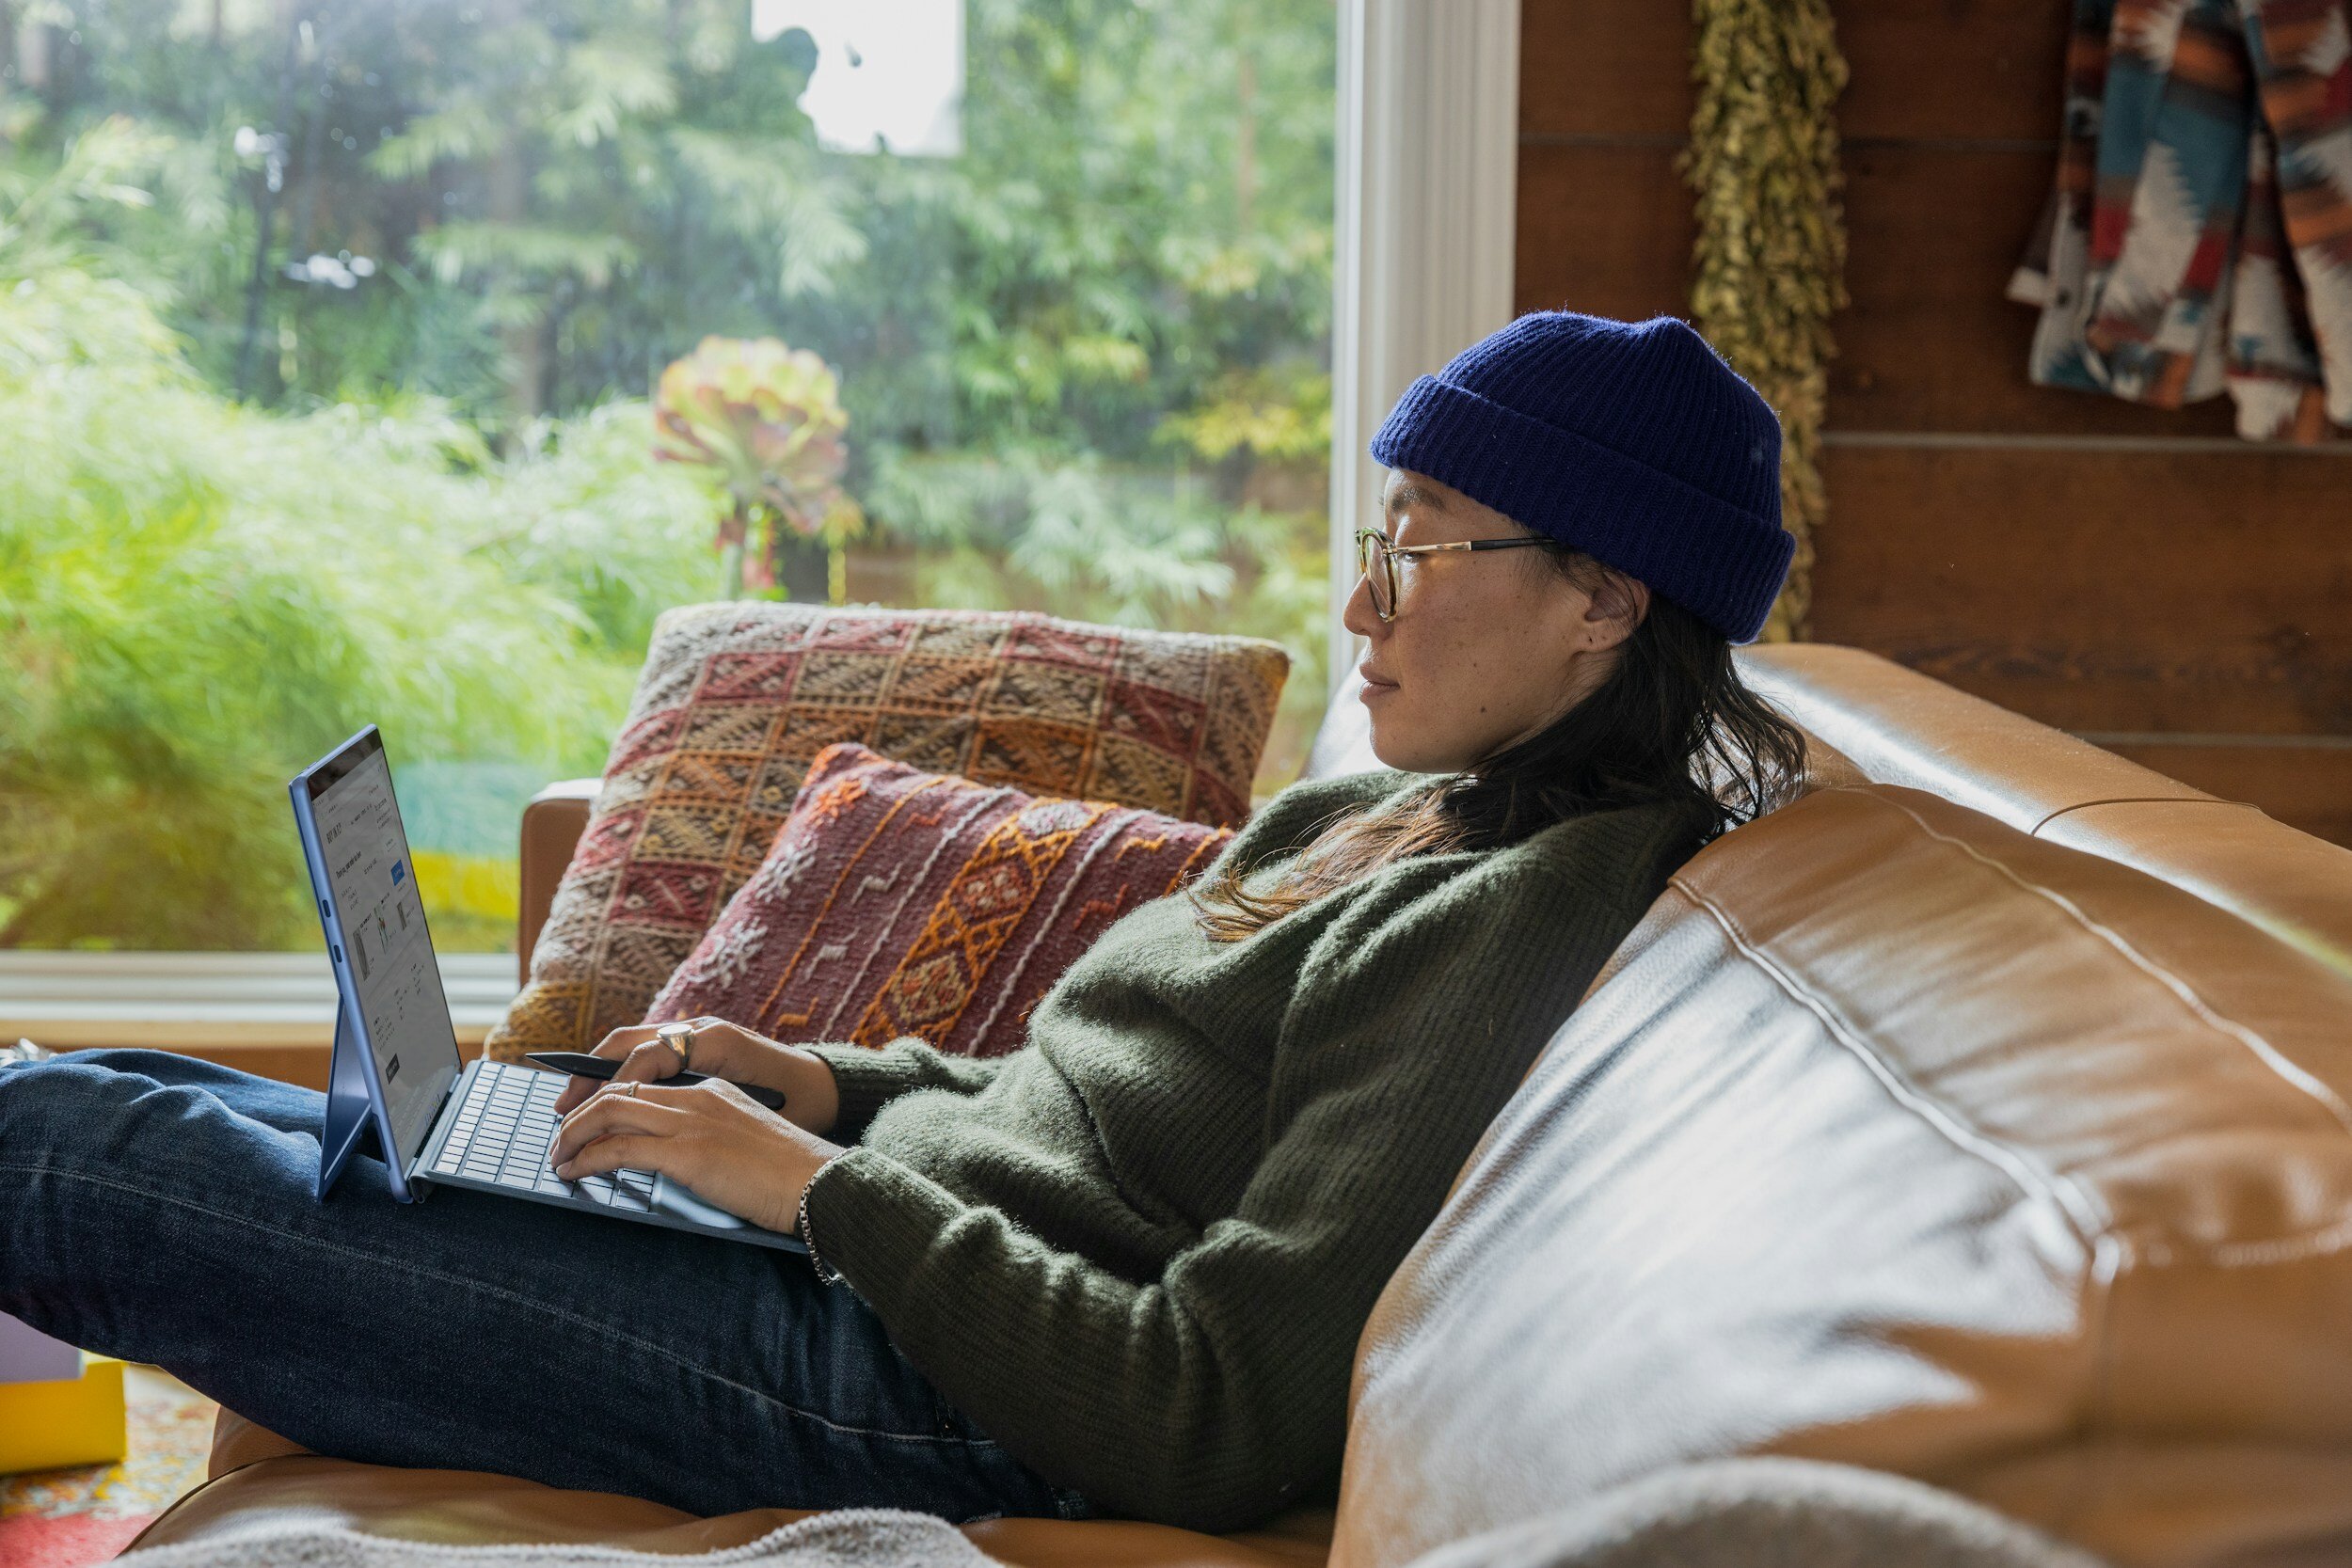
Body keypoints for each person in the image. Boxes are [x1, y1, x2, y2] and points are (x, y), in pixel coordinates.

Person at [0, 311, 1808, 1536]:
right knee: (164, 1098)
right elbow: (1082, 1112)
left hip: (925, 1386)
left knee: (69, 1155)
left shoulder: (1525, 912)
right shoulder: (1389, 807)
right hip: (869, 1260)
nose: (1360, 599)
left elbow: (1214, 1409)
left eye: (1421, 546)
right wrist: (821, 1090)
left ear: (1602, 600)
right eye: (1377, 533)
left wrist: (816, 1195)